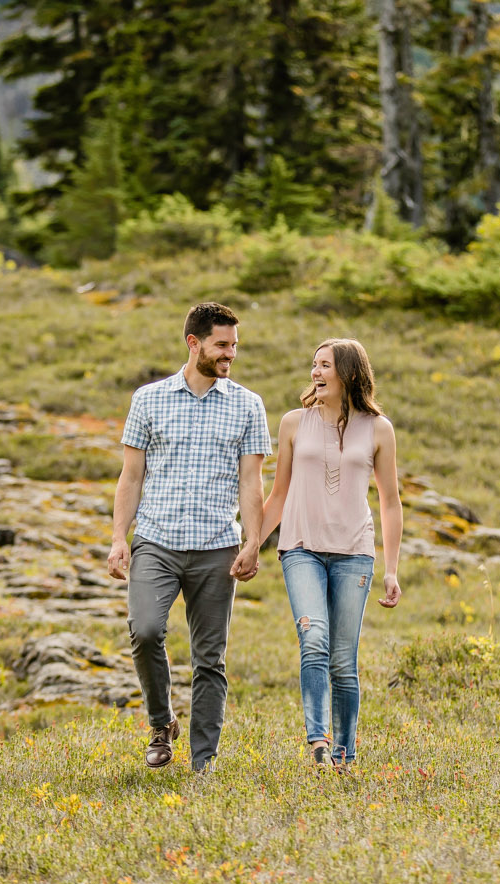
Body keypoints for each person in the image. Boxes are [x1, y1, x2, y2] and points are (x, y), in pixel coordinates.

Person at [108, 302, 271, 773]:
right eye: (222, 345)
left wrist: (252, 540)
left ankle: (203, 763)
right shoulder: (148, 399)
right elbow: (131, 476)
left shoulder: (247, 405)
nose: (230, 354)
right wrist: (120, 538)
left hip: (218, 546)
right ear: (193, 343)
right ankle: (162, 725)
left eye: (235, 346)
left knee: (209, 659)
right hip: (156, 541)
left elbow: (251, 483)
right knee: (145, 631)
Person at [258, 338, 403, 768]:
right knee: (314, 639)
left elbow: (391, 502)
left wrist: (391, 570)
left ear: (349, 374)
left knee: (344, 657)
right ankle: (319, 743)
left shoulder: (379, 429)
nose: (315, 373)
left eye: (325, 366)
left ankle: (344, 755)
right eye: (313, 365)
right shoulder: (293, 423)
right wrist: (251, 545)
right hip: (300, 547)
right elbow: (278, 494)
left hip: (354, 553)